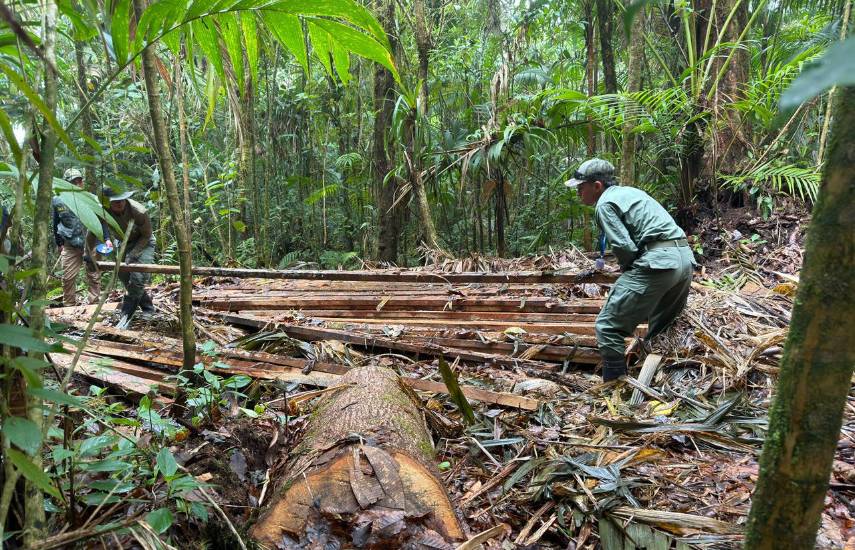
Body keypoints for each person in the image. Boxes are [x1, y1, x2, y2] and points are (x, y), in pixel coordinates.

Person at [565, 158, 695, 381]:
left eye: (581, 187)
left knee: (607, 326)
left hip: (659, 263)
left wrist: (628, 270)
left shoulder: (604, 204)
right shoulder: (632, 192)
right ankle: (659, 384)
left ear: (597, 186)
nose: (578, 192)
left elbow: (624, 247)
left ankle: (614, 388)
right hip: (684, 260)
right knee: (660, 330)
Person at [90, 186, 156, 328]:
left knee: (138, 277)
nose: (119, 203)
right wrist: (88, 253)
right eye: (115, 201)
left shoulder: (139, 211)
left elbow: (147, 235)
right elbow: (96, 228)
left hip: (144, 242)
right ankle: (147, 307)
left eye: (122, 200)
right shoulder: (103, 210)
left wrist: (134, 254)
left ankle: (127, 312)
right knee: (125, 277)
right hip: (123, 242)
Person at [53, 168, 101, 306]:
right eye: (74, 181)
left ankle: (94, 303)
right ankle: (69, 305)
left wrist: (104, 241)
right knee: (67, 277)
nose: (78, 184)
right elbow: (55, 222)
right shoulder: (57, 200)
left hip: (90, 243)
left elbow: (101, 221)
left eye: (80, 181)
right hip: (70, 244)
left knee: (94, 275)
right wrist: (59, 243)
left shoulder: (91, 199)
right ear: (66, 183)